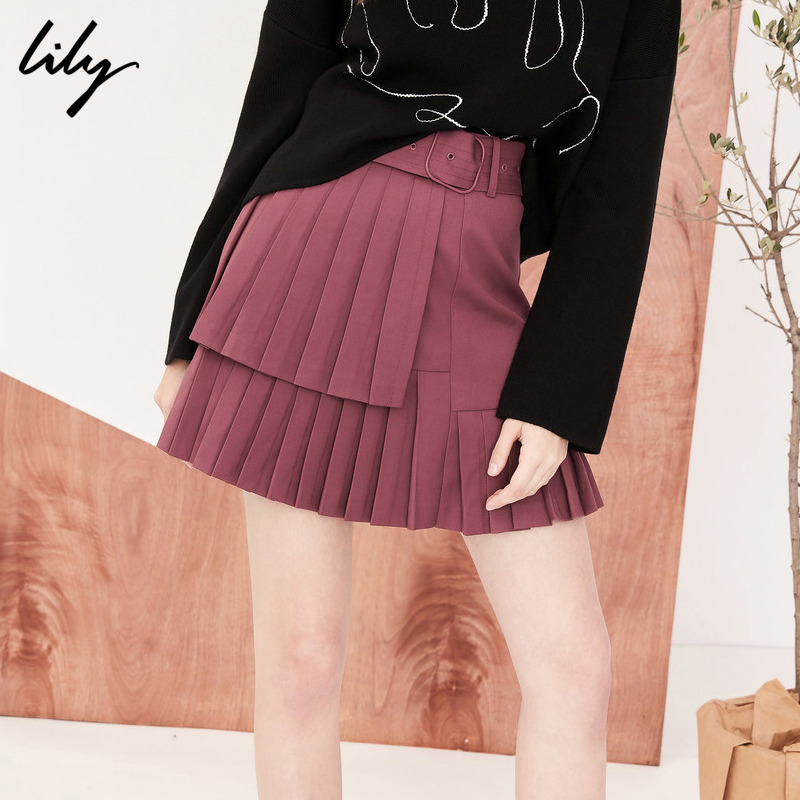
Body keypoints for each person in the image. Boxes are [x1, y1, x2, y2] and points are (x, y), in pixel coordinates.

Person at [153, 1, 681, 798]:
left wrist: (559, 395)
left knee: (575, 668)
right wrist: (188, 329)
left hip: (477, 263)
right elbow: (282, 77)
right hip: (315, 244)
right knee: (302, 658)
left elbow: (619, 169)